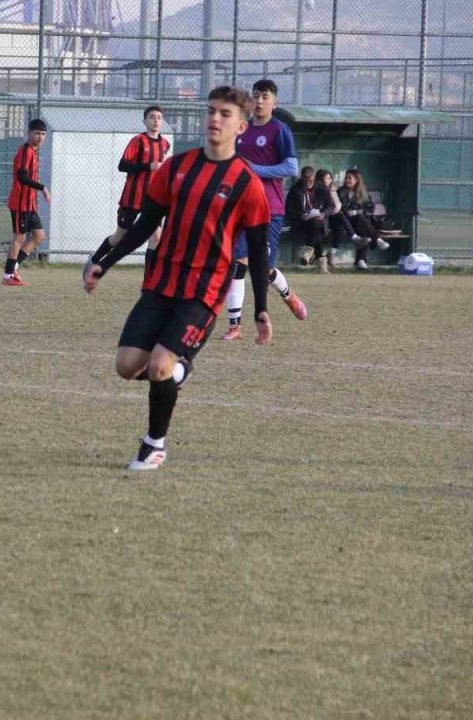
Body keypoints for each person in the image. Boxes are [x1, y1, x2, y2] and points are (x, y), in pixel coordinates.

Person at [84, 86, 274, 471]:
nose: (214, 119)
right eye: (211, 111)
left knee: (158, 366)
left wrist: (261, 310)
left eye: (224, 114)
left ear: (241, 125)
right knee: (127, 366)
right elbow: (144, 225)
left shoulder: (247, 183)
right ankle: (181, 370)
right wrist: (105, 262)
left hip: (203, 292)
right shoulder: (177, 167)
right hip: (160, 284)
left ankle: (154, 445)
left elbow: (256, 253)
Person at [223, 79, 306, 340]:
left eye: (265, 96)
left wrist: (255, 170)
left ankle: (287, 294)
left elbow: (291, 168)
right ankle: (235, 326)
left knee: (262, 268)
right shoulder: (240, 130)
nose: (259, 101)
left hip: (269, 208)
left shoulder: (279, 130)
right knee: (237, 263)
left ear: (274, 102)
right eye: (256, 96)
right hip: (240, 207)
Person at [87, 106, 171, 269]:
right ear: (145, 121)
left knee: (156, 237)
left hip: (153, 199)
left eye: (159, 117)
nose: (156, 120)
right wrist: (149, 166)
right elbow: (122, 165)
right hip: (132, 198)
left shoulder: (165, 144)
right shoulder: (138, 141)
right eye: (152, 117)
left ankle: (149, 278)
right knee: (119, 237)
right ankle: (94, 260)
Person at [2, 118, 51, 286]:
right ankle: (8, 276)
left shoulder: (33, 151)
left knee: (39, 236)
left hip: (30, 205)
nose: (40, 137)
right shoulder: (25, 151)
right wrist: (42, 187)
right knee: (19, 237)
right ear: (29, 133)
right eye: (37, 133)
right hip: (20, 203)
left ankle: (13, 266)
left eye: (43, 134)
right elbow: (22, 177)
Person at [338, 169, 392, 270]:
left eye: (349, 178)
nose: (347, 180)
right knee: (363, 222)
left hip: (360, 221)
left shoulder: (363, 192)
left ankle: (360, 260)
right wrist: (350, 211)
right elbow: (341, 207)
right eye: (346, 178)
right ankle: (377, 240)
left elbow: (370, 208)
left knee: (362, 224)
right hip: (346, 222)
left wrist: (359, 211)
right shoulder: (341, 191)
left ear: (357, 180)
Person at [287, 167, 334, 273]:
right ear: (302, 178)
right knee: (316, 230)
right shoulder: (296, 189)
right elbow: (289, 209)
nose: (308, 183)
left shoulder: (321, 188)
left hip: (320, 220)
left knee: (316, 225)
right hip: (302, 222)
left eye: (310, 180)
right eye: (305, 180)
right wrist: (301, 215)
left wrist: (323, 214)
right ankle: (321, 264)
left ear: (314, 178)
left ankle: (308, 251)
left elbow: (331, 205)